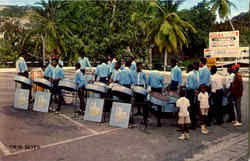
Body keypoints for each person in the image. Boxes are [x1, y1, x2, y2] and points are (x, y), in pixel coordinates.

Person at [185, 64, 196, 130]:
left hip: (190, 92)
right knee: (192, 108)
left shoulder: (189, 75)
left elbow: (190, 86)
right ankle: (193, 123)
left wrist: (185, 87)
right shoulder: (194, 74)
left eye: (187, 68)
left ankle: (191, 124)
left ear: (189, 68)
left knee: (190, 109)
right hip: (193, 92)